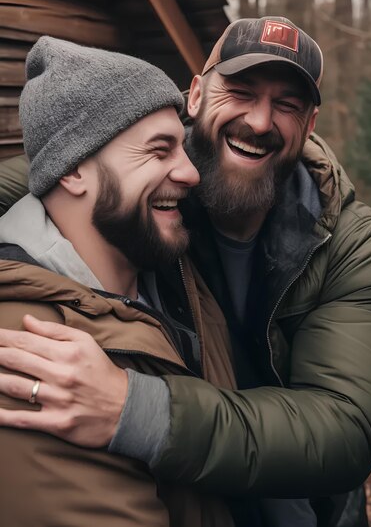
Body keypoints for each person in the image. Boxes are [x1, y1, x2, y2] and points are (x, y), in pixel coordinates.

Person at [0, 18, 371, 527]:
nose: (259, 121)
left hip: (303, 503)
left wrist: (138, 409)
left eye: (287, 104)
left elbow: (345, 428)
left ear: (310, 124)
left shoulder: (349, 242)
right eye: (240, 91)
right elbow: (53, 162)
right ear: (196, 95)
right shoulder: (146, 181)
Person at [0, 35, 238, 526]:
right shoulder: (25, 348)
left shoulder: (173, 279)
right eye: (159, 150)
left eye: (183, 147)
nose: (191, 173)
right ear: (72, 171)